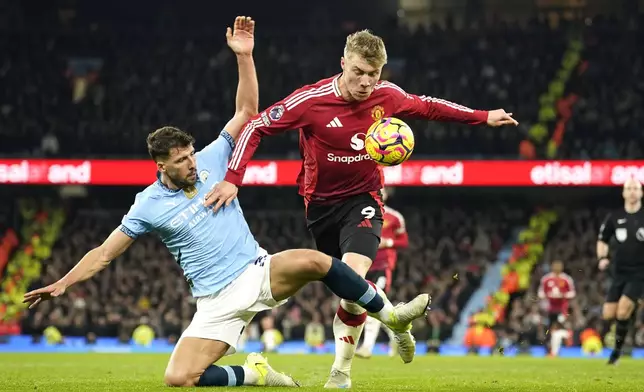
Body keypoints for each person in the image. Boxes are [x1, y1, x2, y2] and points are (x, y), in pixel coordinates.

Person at [23, 17, 430, 388]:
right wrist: (63, 283)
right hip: (214, 300)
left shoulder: (213, 159)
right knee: (179, 378)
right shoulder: (146, 204)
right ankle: (253, 374)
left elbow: (247, 113)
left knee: (318, 262)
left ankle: (391, 318)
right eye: (181, 161)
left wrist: (245, 57)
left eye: (191, 154)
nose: (191, 164)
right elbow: (104, 253)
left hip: (255, 272)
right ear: (161, 164)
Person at [205, 29, 518, 388]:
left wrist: (482, 116)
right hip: (320, 207)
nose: (367, 82)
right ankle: (395, 320)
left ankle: (341, 373)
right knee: (350, 294)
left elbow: (430, 106)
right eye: (358, 72)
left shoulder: (388, 96)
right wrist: (233, 178)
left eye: (374, 73)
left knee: (355, 276)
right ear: (343, 64)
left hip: (364, 199)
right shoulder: (312, 101)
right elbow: (256, 126)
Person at [356, 187, 408, 358]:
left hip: (383, 266)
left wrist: (389, 242)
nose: (379, 193)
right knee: (377, 308)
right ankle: (398, 333)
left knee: (372, 304)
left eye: (382, 191)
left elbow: (404, 241)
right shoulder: (362, 214)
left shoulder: (394, 217)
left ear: (387, 195)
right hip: (364, 265)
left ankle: (367, 348)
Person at [597, 177, 644, 364]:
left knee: (622, 311)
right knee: (609, 314)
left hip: (640, 273)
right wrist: (602, 257)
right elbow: (602, 239)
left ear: (641, 193)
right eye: (629, 188)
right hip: (618, 272)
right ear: (623, 193)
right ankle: (634, 310)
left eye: (636, 188)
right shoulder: (614, 217)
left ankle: (616, 354)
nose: (632, 191)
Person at [537, 260, 575, 356]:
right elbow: (540, 293)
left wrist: (563, 295)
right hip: (549, 309)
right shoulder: (546, 279)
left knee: (558, 328)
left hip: (562, 308)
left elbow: (572, 293)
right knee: (549, 330)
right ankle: (551, 350)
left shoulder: (566, 279)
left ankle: (557, 349)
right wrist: (548, 295)